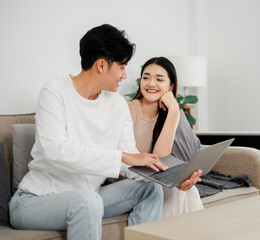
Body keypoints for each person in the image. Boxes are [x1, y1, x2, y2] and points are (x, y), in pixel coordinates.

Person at [8, 24, 168, 240]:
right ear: (102, 65)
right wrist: (123, 157)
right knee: (87, 201)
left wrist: (163, 176)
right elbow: (54, 151)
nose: (124, 75)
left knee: (150, 190)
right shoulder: (55, 92)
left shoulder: (117, 104)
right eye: (121, 67)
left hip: (89, 198)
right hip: (34, 201)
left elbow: (128, 160)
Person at [128, 56, 204, 218]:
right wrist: (175, 111)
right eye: (146, 77)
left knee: (190, 190)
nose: (151, 83)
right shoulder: (129, 110)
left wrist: (173, 111)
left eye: (159, 79)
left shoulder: (167, 114)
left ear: (171, 86)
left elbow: (163, 160)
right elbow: (161, 157)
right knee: (173, 192)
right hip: (130, 176)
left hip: (154, 177)